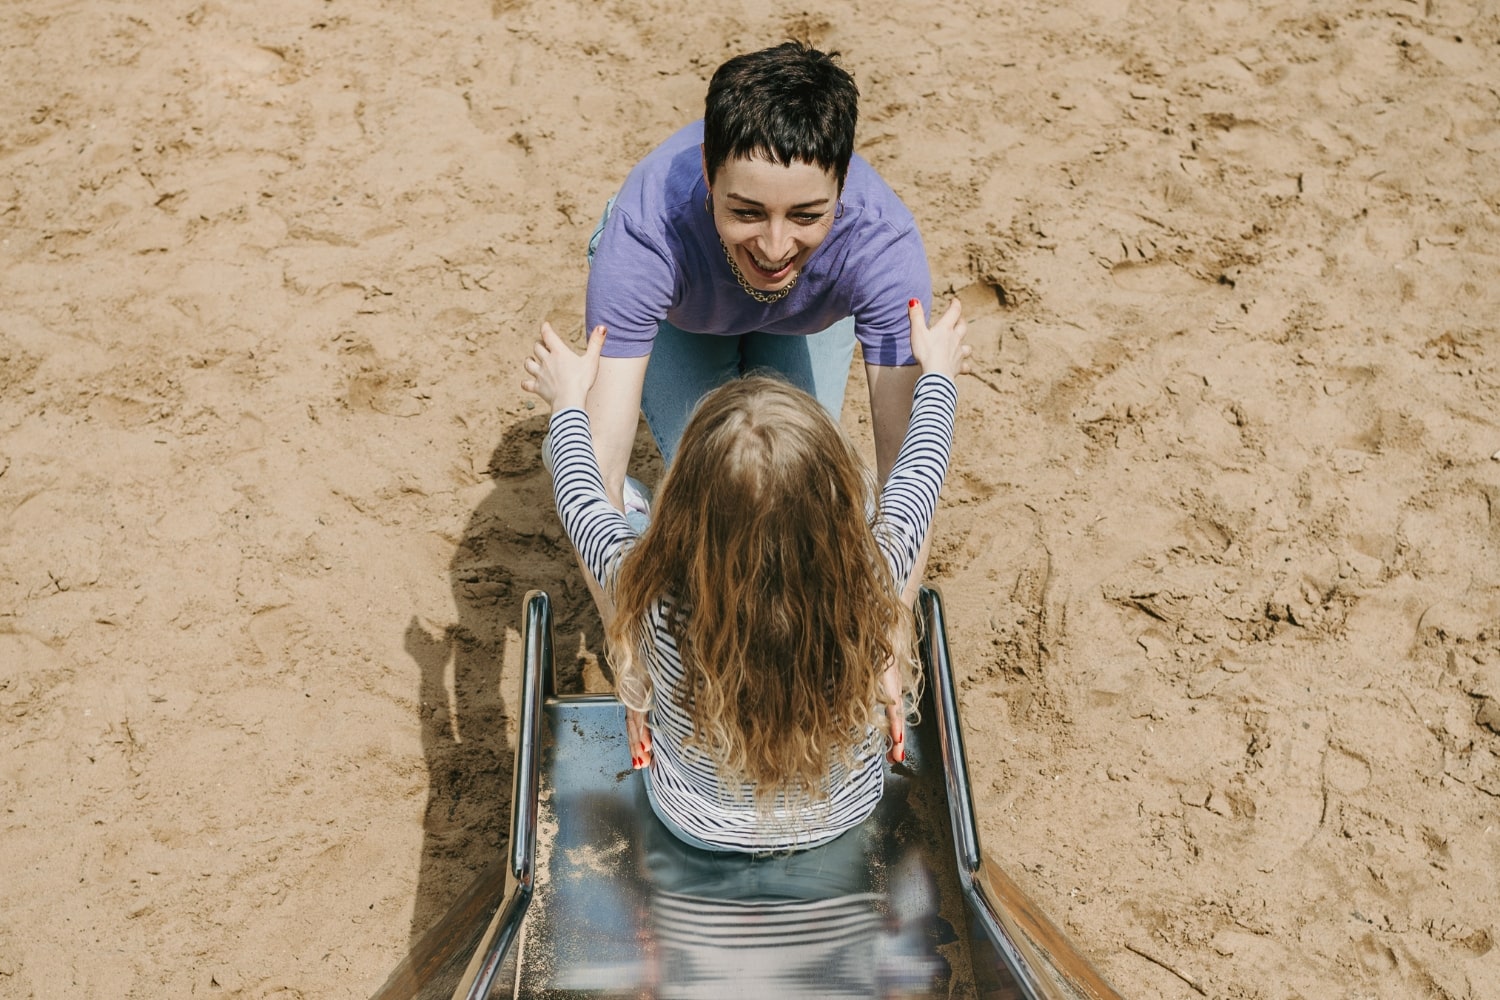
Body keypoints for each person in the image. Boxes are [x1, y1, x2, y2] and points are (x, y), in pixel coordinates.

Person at [520, 298, 969, 853]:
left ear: (686, 508)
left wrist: (566, 401)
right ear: (831, 509)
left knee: (626, 510)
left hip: (693, 820)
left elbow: (579, 496)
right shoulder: (870, 580)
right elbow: (921, 471)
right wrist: (939, 375)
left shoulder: (651, 593)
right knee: (886, 500)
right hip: (846, 810)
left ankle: (648, 506)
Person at [579, 41, 942, 600]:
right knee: (721, 500)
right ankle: (643, 509)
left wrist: (890, 634)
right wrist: (629, 646)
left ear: (842, 183)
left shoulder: (882, 245)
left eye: (806, 215)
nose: (775, 248)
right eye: (747, 211)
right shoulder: (645, 232)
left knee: (801, 493)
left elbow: (905, 464)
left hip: (805, 318)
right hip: (684, 316)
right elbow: (599, 458)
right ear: (707, 173)